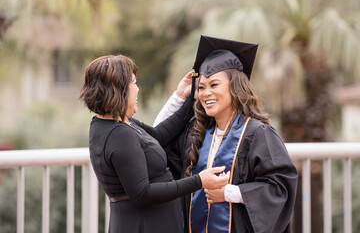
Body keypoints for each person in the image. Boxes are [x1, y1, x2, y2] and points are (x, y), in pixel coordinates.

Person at [153, 35, 298, 233]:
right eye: (201, 87)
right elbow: (156, 141)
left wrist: (230, 193)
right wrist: (179, 96)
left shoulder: (257, 134)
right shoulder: (196, 134)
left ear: (235, 87)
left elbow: (280, 188)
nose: (206, 93)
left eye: (214, 85)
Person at [78, 54, 229, 233]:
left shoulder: (116, 123)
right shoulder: (119, 135)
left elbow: (158, 136)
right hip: (144, 224)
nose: (138, 89)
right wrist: (199, 181)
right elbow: (142, 193)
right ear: (118, 89)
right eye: (134, 83)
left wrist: (188, 97)